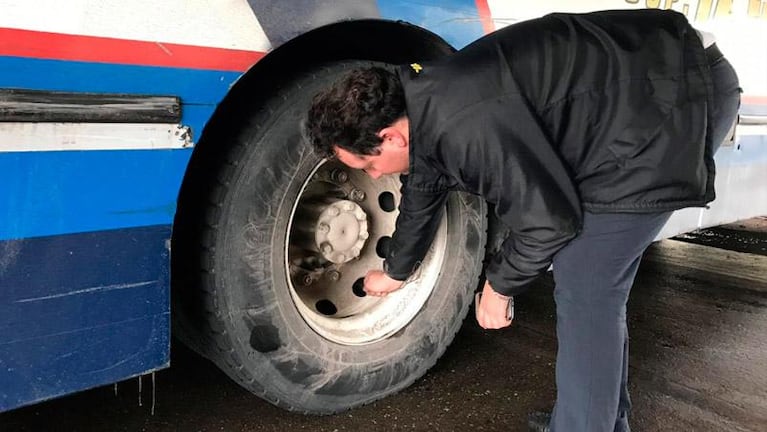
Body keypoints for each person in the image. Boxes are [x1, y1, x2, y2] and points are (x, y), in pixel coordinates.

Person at [304, 8, 740, 432]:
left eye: (370, 164)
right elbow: (424, 186)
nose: (375, 175)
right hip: (640, 88)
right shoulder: (424, 100)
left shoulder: (464, 124)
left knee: (586, 286)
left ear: (390, 136)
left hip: (676, 93)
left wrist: (498, 285)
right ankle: (599, 419)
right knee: (591, 287)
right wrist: (397, 270)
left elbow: (548, 220)